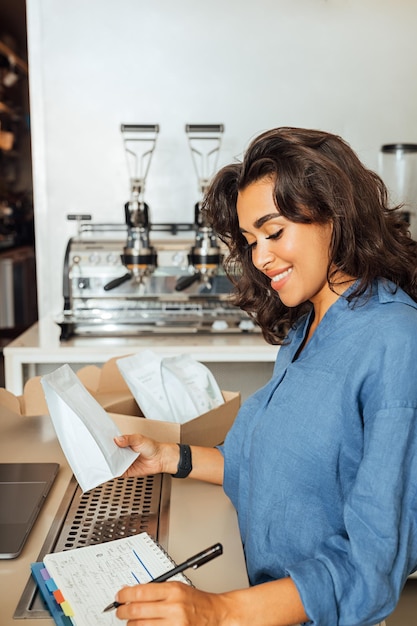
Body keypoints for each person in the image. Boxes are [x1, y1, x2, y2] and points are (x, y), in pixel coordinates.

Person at [114, 127, 417, 626]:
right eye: (251, 241)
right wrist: (171, 457)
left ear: (335, 214)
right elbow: (269, 471)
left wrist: (218, 611)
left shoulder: (395, 343)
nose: (260, 257)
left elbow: (372, 566)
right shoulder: (310, 325)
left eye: (274, 232)